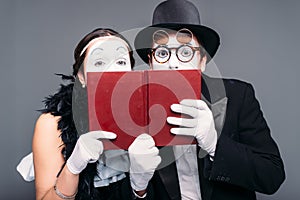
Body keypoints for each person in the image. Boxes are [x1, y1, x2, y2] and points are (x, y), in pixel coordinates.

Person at [132, 0, 285, 199]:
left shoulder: (238, 96)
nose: (173, 63)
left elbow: (272, 176)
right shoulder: (135, 110)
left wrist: (214, 144)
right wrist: (138, 187)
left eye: (185, 52)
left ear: (202, 62)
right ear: (151, 64)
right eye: (162, 53)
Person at [18, 28, 161, 200]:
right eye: (99, 62)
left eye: (121, 62)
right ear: (81, 76)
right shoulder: (51, 124)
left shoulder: (148, 118)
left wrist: (140, 187)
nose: (112, 70)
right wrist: (73, 167)